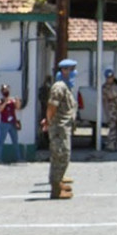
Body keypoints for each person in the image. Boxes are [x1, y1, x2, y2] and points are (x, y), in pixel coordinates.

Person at [42, 59, 78, 199]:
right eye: (71, 69)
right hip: (59, 127)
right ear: (64, 70)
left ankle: (58, 182)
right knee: (61, 155)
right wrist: (50, 121)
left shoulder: (65, 86)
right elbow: (52, 106)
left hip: (63, 126)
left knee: (63, 154)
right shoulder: (59, 87)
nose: (73, 72)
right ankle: (56, 189)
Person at [0, 84, 23, 162]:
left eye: (7, 90)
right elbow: (0, 109)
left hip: (12, 123)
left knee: (15, 142)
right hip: (4, 123)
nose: (6, 91)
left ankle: (19, 158)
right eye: (4, 90)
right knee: (1, 141)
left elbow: (18, 107)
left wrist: (17, 101)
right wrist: (5, 102)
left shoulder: (12, 101)